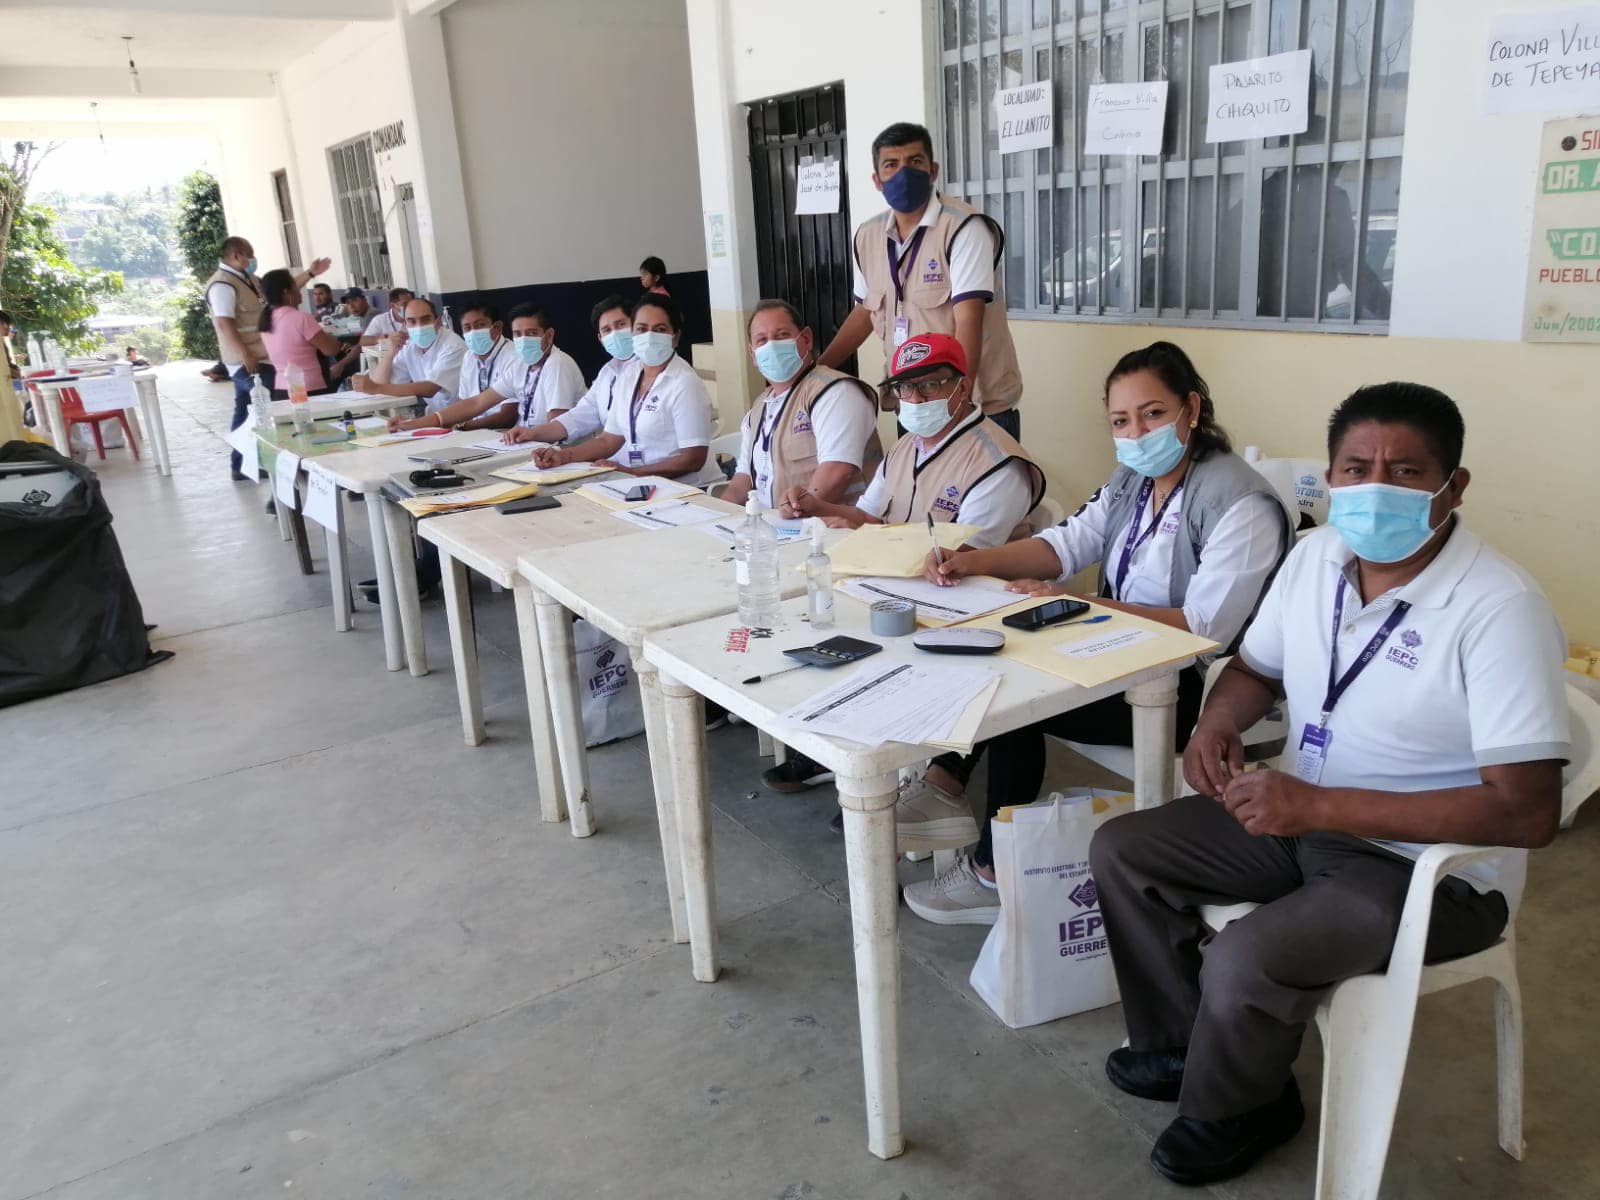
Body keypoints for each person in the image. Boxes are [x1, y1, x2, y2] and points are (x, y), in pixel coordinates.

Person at [1088, 382, 1568, 1187]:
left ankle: (1243, 1107)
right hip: (1301, 821)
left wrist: (1317, 806)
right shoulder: (1315, 558)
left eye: (1406, 470)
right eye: (1356, 466)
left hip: (1429, 872)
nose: (1375, 486)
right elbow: (1253, 670)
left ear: (1455, 487)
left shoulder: (1498, 606)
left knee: (1248, 956)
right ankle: (1183, 1048)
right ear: (1332, 478)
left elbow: (1528, 810)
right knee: (1124, 850)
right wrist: (1218, 724)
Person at [898, 342, 1293, 923]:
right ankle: (946, 787)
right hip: (1111, 652)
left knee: (1017, 702)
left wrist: (1081, 603)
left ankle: (989, 872)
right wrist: (971, 560)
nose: (1136, 432)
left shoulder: (1241, 503)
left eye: (1153, 414)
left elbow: (1205, 629)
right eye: (1121, 420)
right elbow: (1065, 544)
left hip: (1187, 686)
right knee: (984, 650)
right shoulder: (1134, 479)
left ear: (1192, 407)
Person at [766, 332, 1047, 796]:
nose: (915, 399)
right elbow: (871, 516)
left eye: (931, 386)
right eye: (904, 389)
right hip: (897, 590)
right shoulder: (906, 447)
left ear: (962, 385)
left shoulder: (999, 463)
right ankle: (845, 752)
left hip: (967, 606)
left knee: (866, 640)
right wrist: (817, 506)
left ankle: (928, 779)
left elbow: (969, 561)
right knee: (815, 619)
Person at [818, 121, 1024, 440]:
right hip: (913, 404)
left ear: (933, 170)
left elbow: (969, 318)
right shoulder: (868, 237)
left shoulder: (964, 229)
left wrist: (959, 402)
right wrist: (817, 370)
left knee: (978, 489)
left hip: (973, 409)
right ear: (877, 179)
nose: (904, 172)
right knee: (915, 490)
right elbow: (863, 313)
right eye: (891, 164)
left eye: (915, 161)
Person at [530, 293, 718, 485]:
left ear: (675, 338)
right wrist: (563, 456)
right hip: (638, 482)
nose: (650, 336)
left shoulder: (684, 383)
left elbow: (693, 459)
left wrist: (631, 473)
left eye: (660, 329)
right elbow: (608, 440)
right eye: (642, 329)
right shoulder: (630, 375)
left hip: (687, 488)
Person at [722, 299, 882, 510]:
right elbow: (743, 478)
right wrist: (719, 515)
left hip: (828, 530)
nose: (772, 346)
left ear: (806, 339)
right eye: (762, 340)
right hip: (772, 527)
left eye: (782, 335)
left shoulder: (834, 392)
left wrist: (789, 517)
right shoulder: (760, 407)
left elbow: (837, 472)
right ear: (752, 354)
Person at [206, 235, 331, 479]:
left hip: (262, 355)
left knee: (246, 411)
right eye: (249, 253)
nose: (253, 258)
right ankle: (284, 465)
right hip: (249, 360)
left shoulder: (248, 279)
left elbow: (280, 292)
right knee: (277, 409)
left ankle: (241, 465)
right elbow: (224, 323)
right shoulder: (223, 284)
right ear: (236, 256)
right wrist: (245, 356)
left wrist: (310, 274)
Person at [389, 302, 583, 434]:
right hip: (525, 443)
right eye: (518, 334)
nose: (524, 340)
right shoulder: (522, 365)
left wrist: (527, 435)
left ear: (549, 335)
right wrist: (414, 424)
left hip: (557, 451)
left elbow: (558, 427)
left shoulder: (556, 364)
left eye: (531, 333)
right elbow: (475, 404)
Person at [508, 294, 636, 446]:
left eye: (621, 325)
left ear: (637, 326)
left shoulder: (653, 370)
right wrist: (531, 433)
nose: (614, 334)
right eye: (607, 330)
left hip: (643, 465)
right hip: (611, 460)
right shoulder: (607, 373)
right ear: (600, 339)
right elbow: (578, 417)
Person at [353, 297, 467, 416]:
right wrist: (391, 352)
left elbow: (430, 389)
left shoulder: (453, 346)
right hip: (440, 416)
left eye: (425, 320)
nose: (419, 326)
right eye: (412, 321)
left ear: (437, 322)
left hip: (465, 418)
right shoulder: (410, 346)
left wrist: (375, 388)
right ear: (405, 325)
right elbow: (382, 382)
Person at [257, 269, 358, 399]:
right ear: (287, 292)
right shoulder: (301, 318)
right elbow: (331, 350)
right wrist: (331, 338)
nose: (300, 291)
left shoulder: (266, 320)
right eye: (295, 287)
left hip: (282, 389)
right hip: (309, 388)